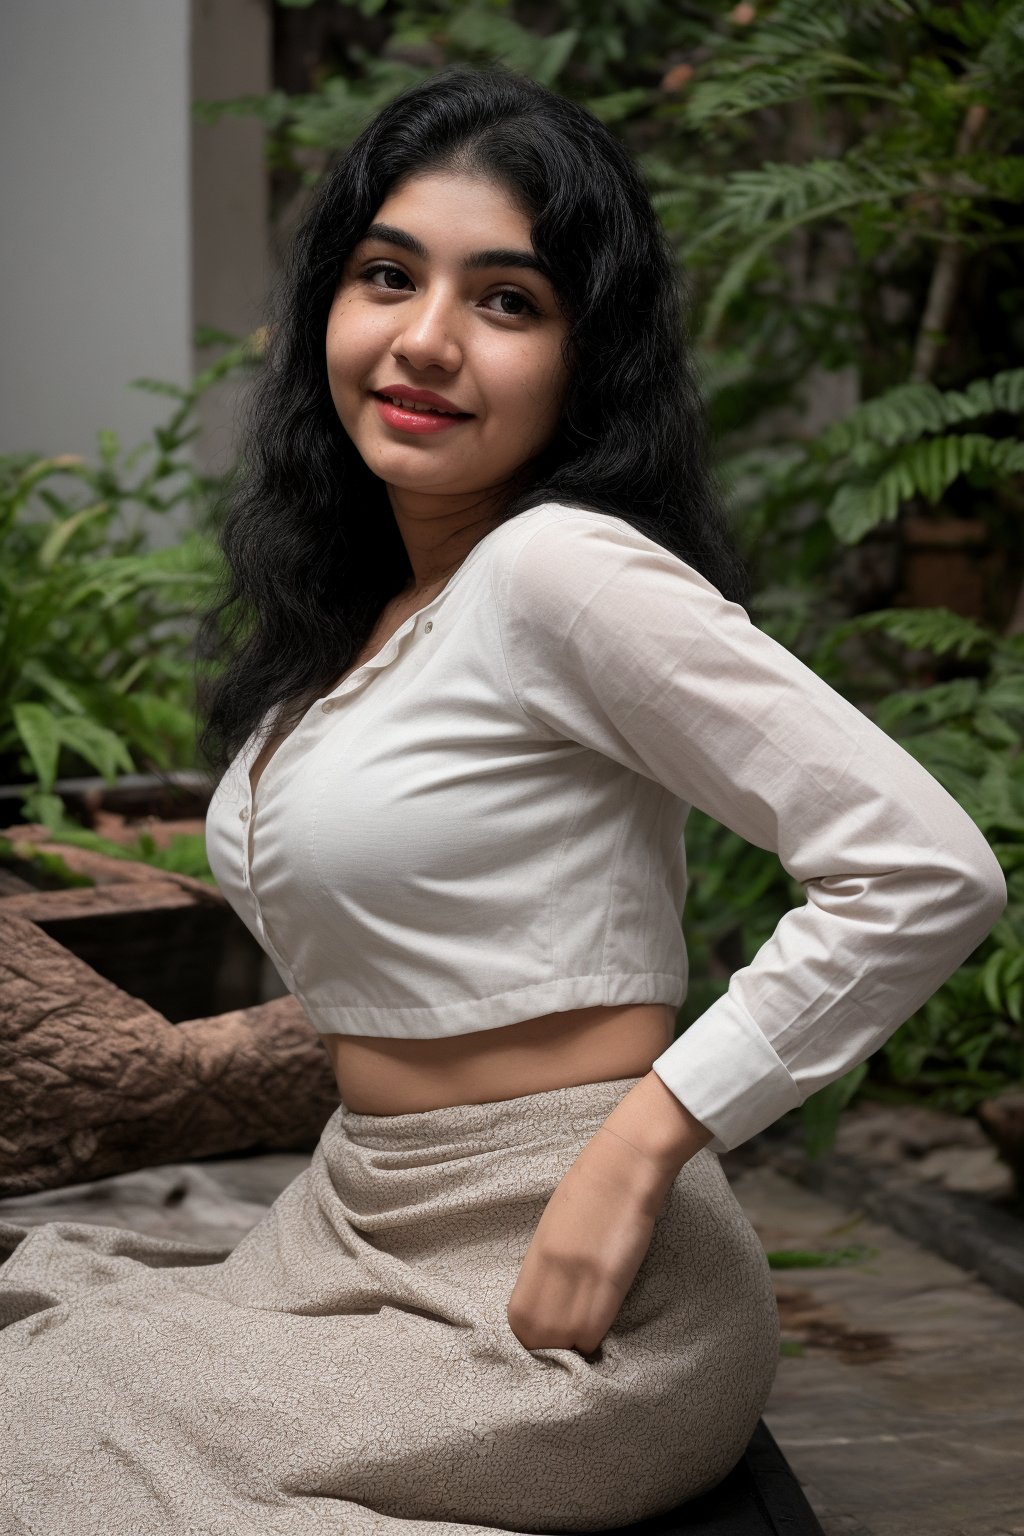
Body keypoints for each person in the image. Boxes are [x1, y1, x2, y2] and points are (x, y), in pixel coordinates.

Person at [0, 62, 1006, 1536]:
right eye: (387, 275)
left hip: (568, 1284)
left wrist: (650, 1141)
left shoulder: (561, 569)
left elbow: (924, 868)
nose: (425, 340)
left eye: (507, 300)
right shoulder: (371, 617)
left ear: (584, 360)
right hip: (353, 1222)